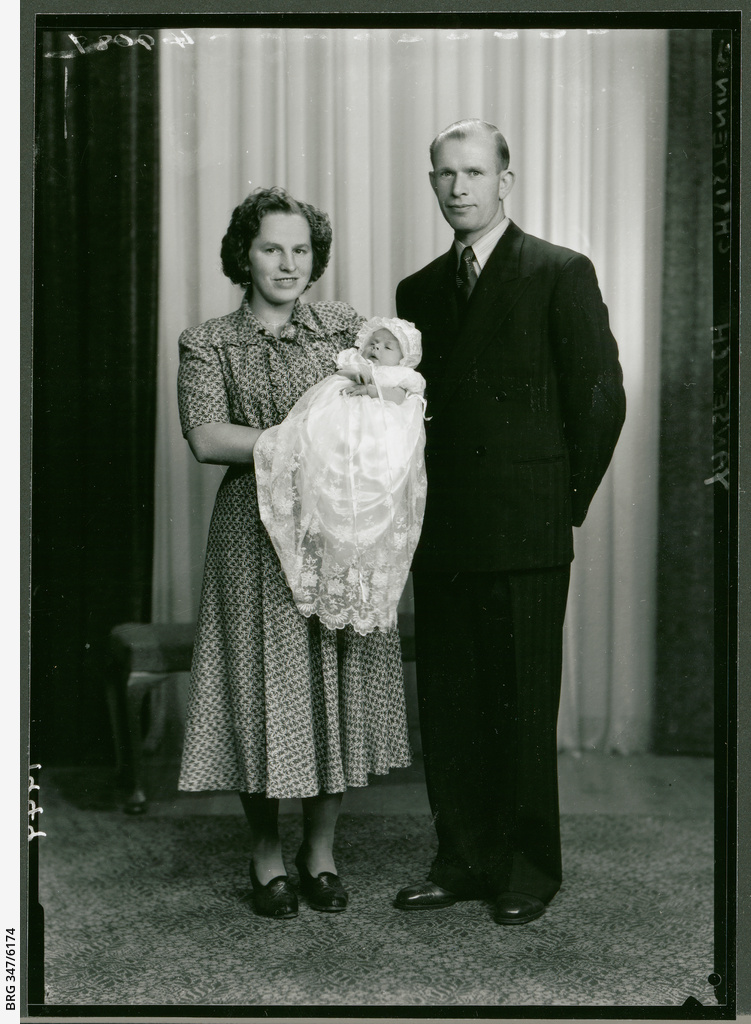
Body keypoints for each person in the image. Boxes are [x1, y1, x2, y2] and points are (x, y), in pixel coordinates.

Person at [393, 119, 626, 925]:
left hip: (525, 530)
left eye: (472, 172)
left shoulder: (558, 272)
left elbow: (599, 401)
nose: (457, 187)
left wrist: (558, 504)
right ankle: (460, 860)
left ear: (504, 181)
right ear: (433, 183)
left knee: (521, 704)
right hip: (443, 530)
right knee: (450, 703)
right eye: (443, 174)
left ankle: (528, 869)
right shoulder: (415, 292)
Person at [177, 187, 412, 919]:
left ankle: (320, 851)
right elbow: (208, 437)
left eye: (300, 249)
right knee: (258, 684)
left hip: (334, 530)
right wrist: (309, 444)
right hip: (253, 535)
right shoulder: (206, 341)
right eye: (271, 248)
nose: (287, 263)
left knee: (328, 680)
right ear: (242, 255)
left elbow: (391, 399)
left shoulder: (346, 328)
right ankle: (265, 855)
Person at [254, 316, 427, 636]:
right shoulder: (352, 361)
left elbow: (402, 400)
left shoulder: (400, 376)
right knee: (324, 470)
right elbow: (333, 386)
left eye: (388, 346)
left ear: (403, 357)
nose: (377, 348)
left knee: (369, 481)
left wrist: (374, 389)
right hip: (341, 427)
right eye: (373, 342)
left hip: (376, 437)